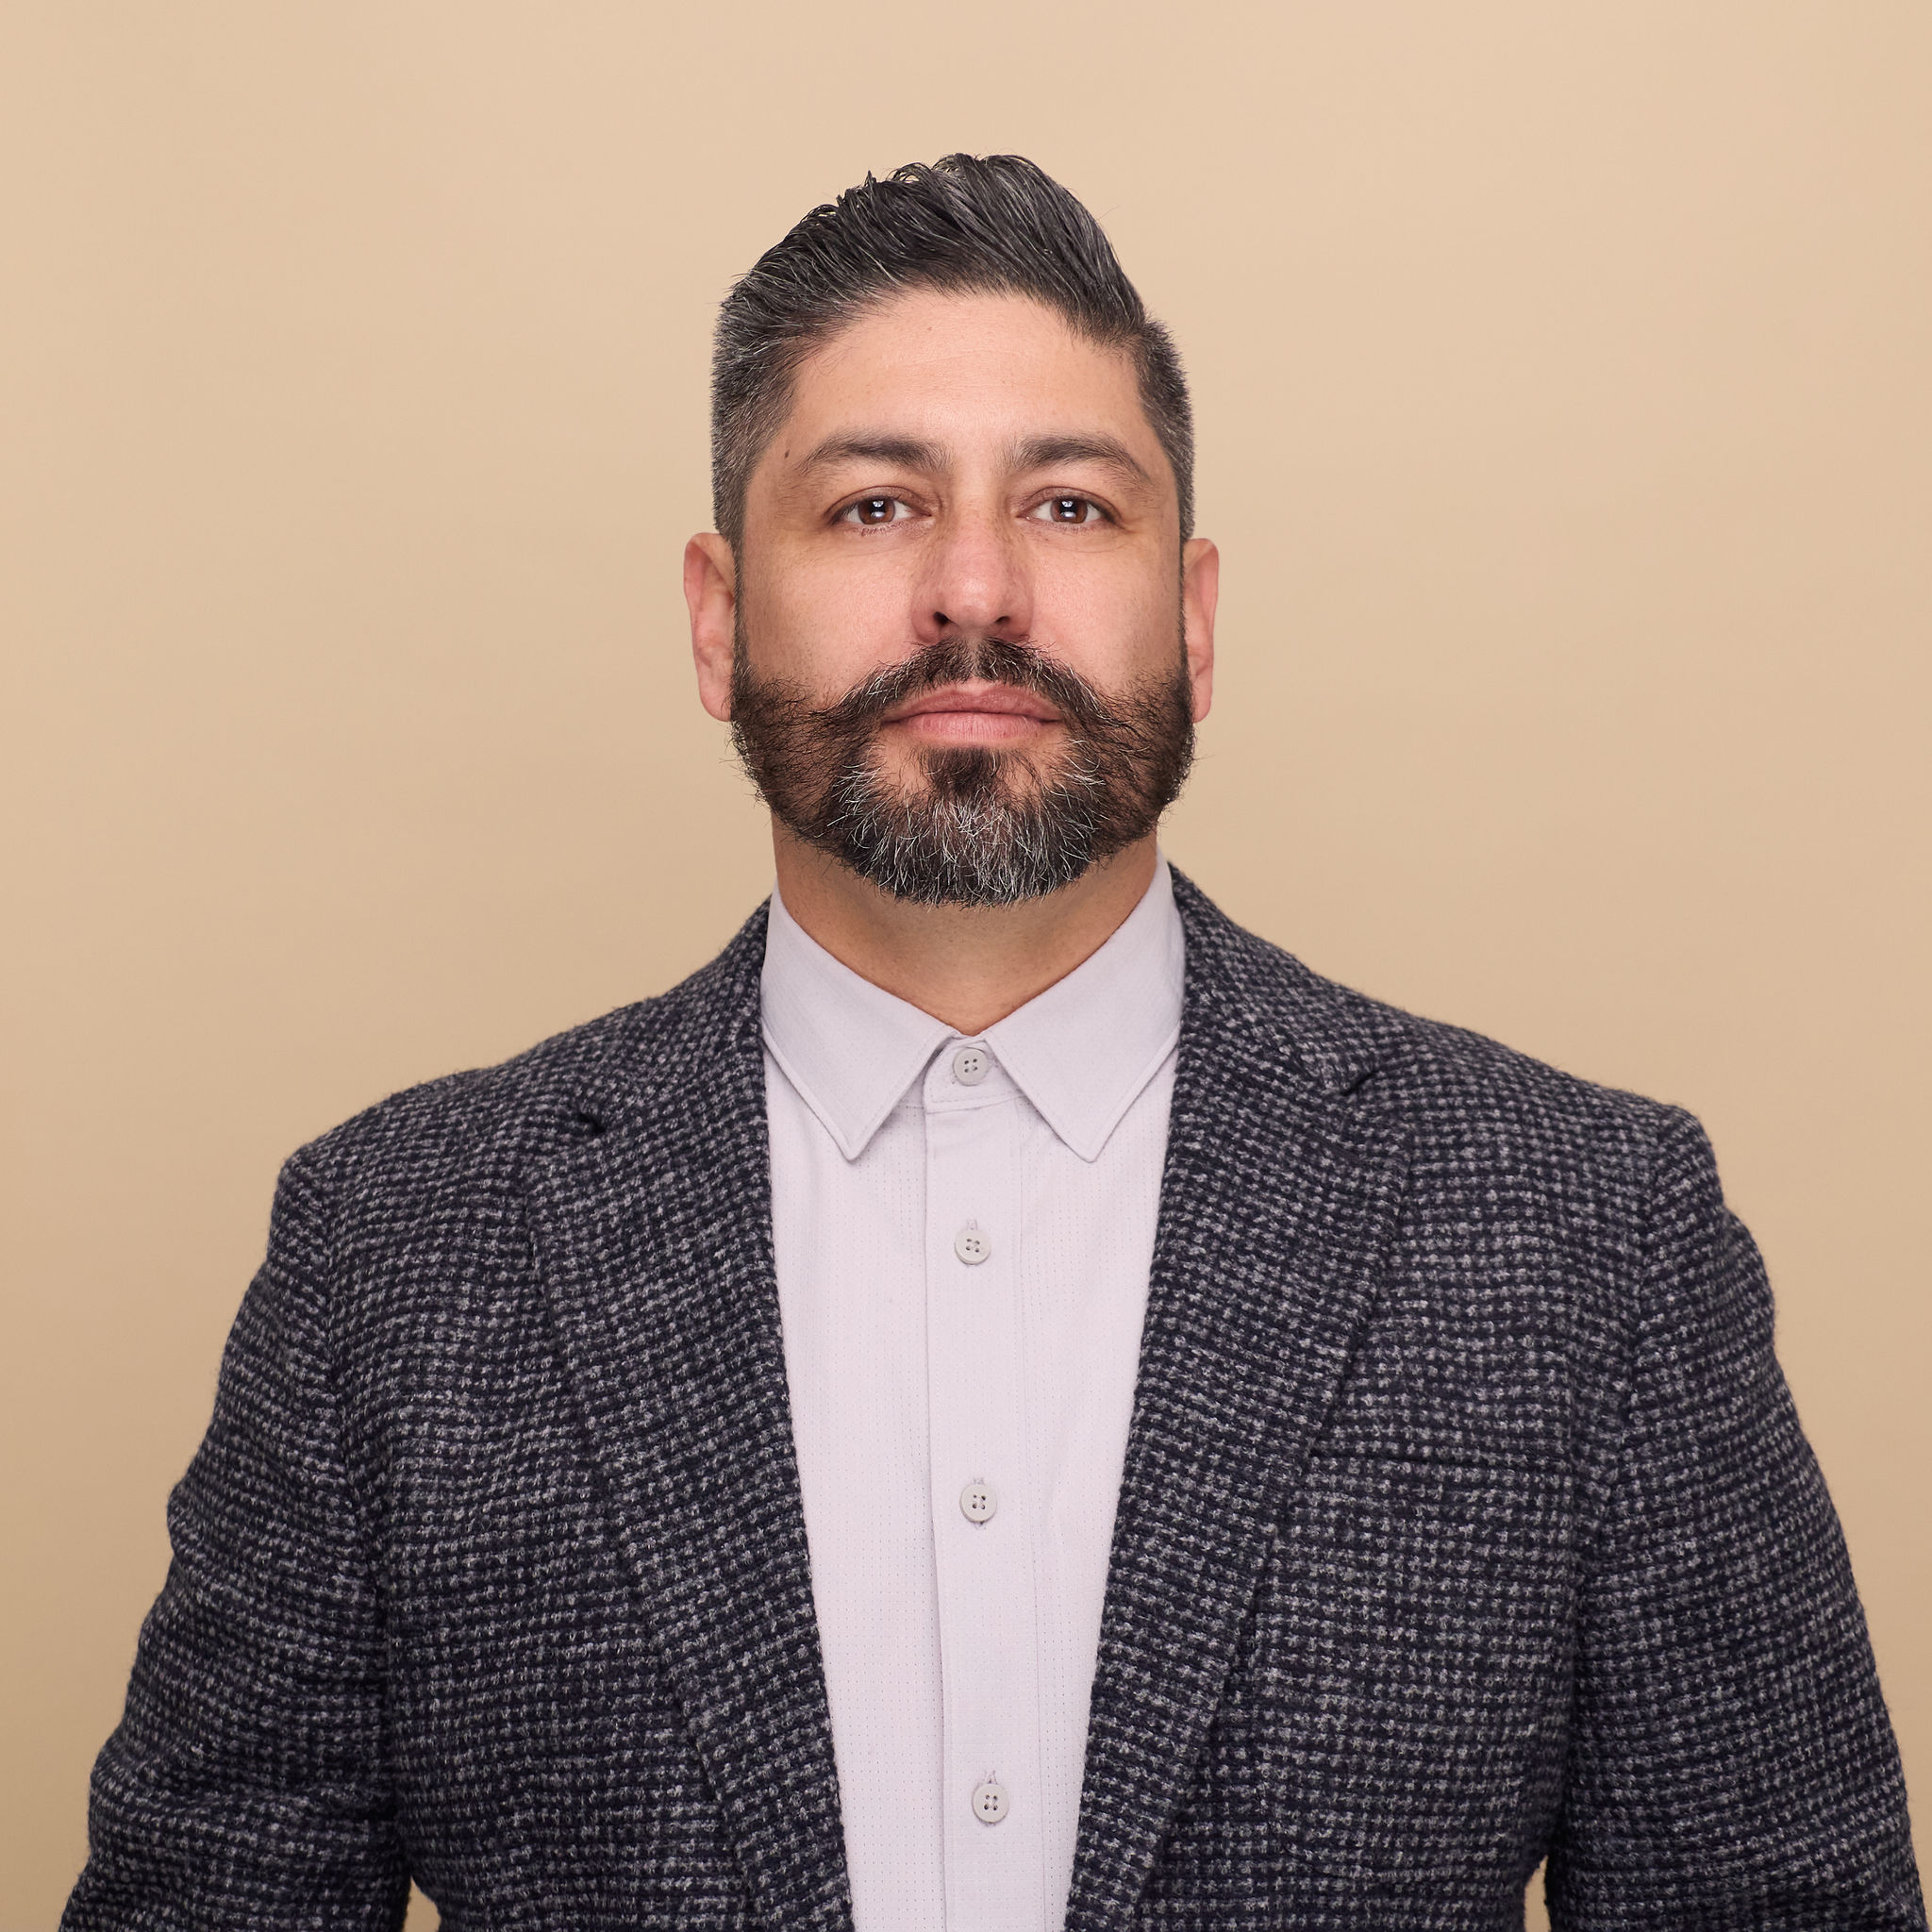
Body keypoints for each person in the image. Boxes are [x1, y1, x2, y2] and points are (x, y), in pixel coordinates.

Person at [65, 154, 1922, 1932]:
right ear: (717, 618)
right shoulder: (394, 1252)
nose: (975, 590)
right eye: (874, 504)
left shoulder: (1591, 1237)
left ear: (1194, 617)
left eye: (1071, 506)